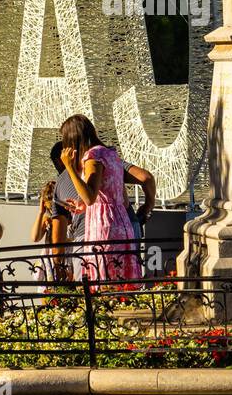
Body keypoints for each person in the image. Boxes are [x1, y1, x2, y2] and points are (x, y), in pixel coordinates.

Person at [50, 137, 156, 277]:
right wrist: (147, 206)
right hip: (128, 227)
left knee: (93, 290)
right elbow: (146, 177)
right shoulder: (109, 161)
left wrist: (58, 269)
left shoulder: (60, 183)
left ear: (61, 159)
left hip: (87, 237)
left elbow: (58, 234)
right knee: (127, 285)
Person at [58, 115, 143, 283]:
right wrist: (83, 206)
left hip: (104, 225)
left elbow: (90, 197)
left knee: (104, 279)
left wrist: (69, 166)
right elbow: (122, 200)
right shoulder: (110, 154)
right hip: (121, 222)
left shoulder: (93, 156)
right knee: (122, 280)